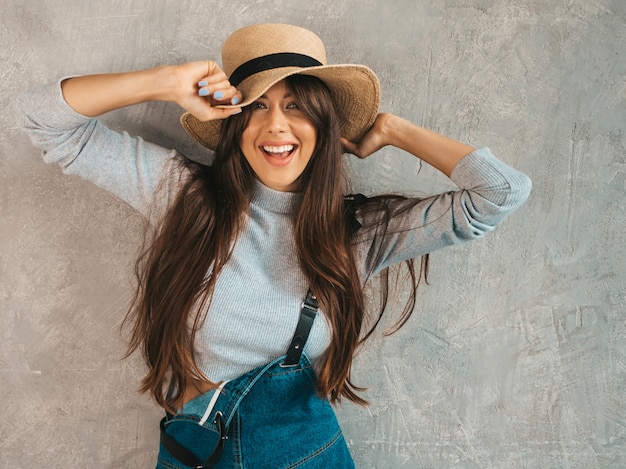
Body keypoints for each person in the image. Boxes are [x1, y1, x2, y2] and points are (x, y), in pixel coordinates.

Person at [16, 23, 531, 469]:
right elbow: (45, 121)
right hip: (198, 453)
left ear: (324, 125)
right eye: (257, 106)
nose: (276, 126)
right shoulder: (185, 196)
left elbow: (501, 192)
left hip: (307, 456)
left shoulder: (360, 231)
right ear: (235, 124)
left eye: (297, 107)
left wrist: (393, 130)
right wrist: (165, 82)